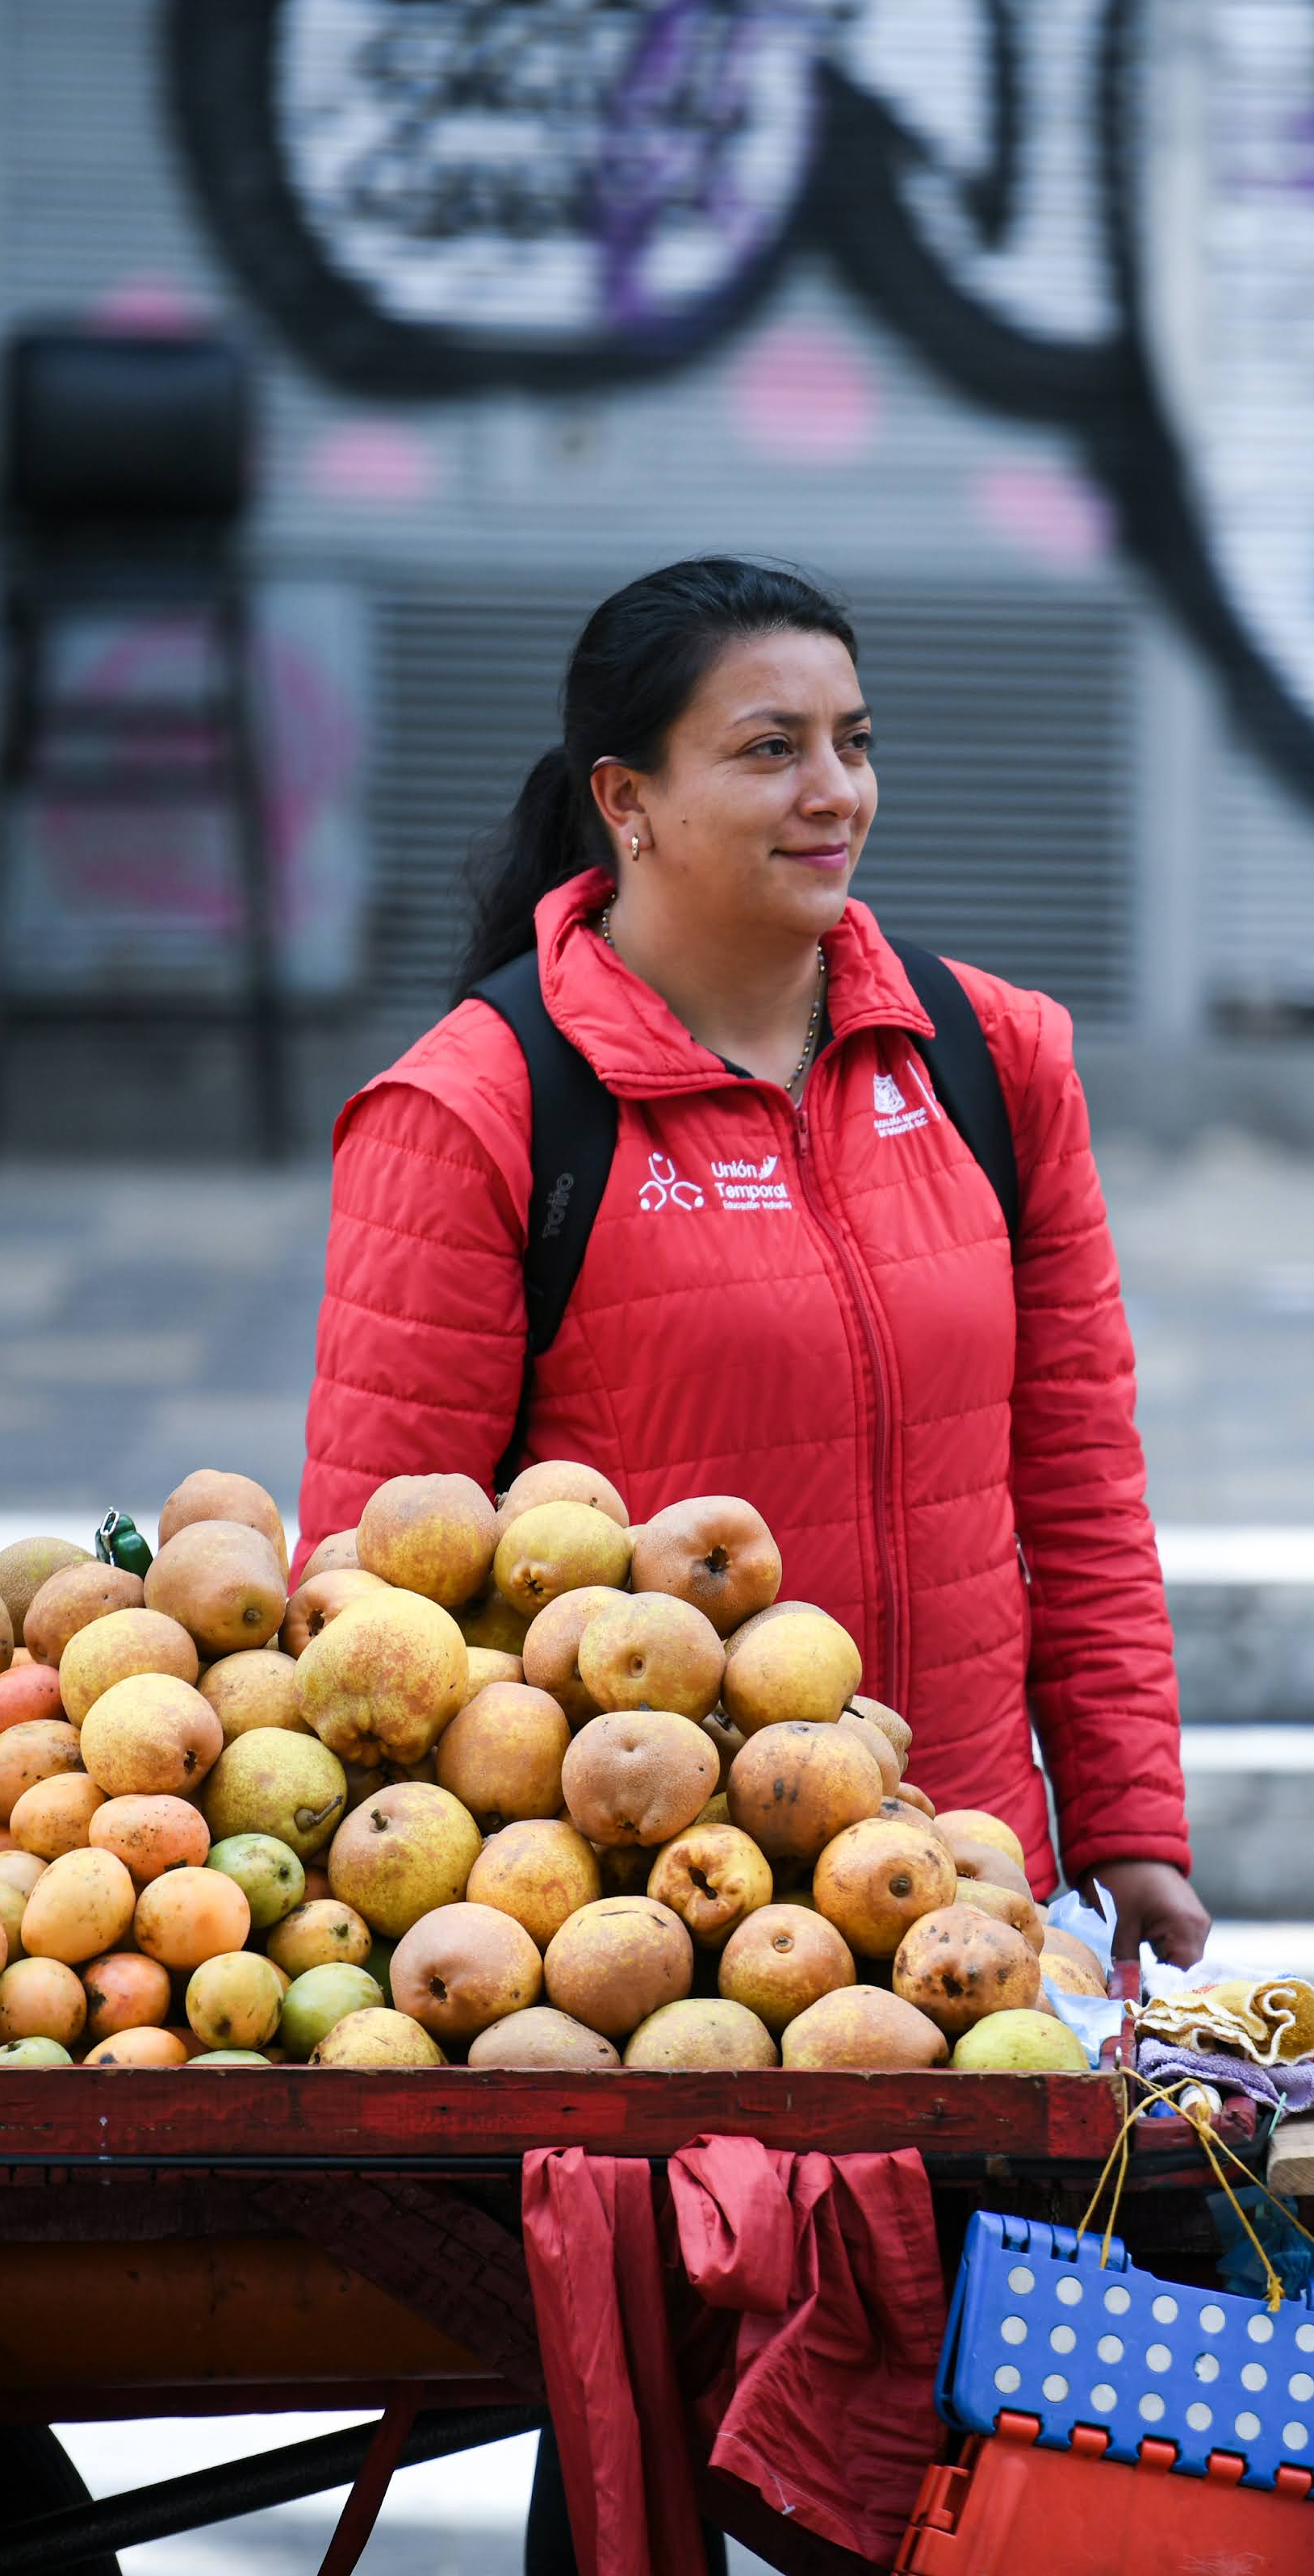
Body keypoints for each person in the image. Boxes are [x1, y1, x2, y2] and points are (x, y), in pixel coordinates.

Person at [294, 555, 1205, 1964]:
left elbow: (1077, 1475)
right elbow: (376, 1594)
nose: (834, 789)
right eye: (770, 750)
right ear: (625, 799)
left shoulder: (992, 1056)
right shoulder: (478, 1107)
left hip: (969, 1897)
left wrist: (1129, 1823)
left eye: (854, 741)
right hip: (652, 1933)